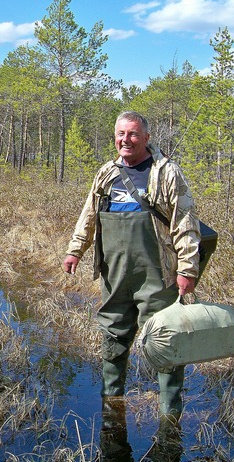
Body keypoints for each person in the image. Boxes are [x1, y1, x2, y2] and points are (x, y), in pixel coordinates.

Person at [62, 111, 201, 431]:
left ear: (146, 138)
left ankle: (169, 413)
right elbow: (89, 215)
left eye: (133, 134)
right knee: (113, 336)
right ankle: (112, 403)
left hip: (158, 276)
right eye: (121, 133)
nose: (126, 140)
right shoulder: (106, 173)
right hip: (115, 275)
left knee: (166, 340)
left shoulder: (166, 172)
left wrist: (187, 269)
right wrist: (75, 250)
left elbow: (185, 223)